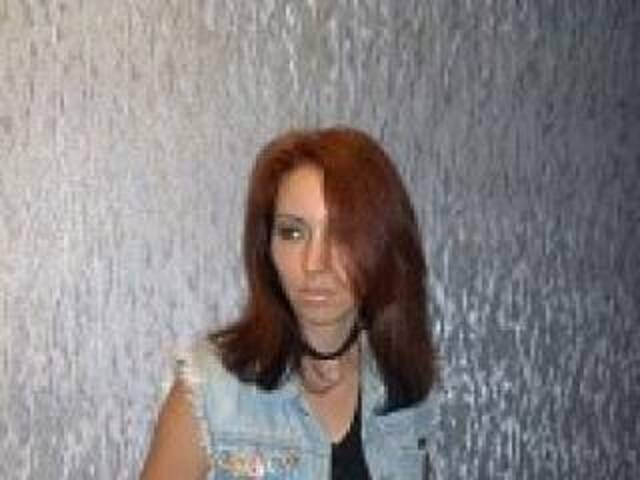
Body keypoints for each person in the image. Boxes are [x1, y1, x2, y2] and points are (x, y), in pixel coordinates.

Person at [140, 127, 439, 479]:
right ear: (266, 247)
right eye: (292, 232)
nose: (314, 263)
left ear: (381, 244)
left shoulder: (402, 389)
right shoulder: (212, 392)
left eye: (341, 233)